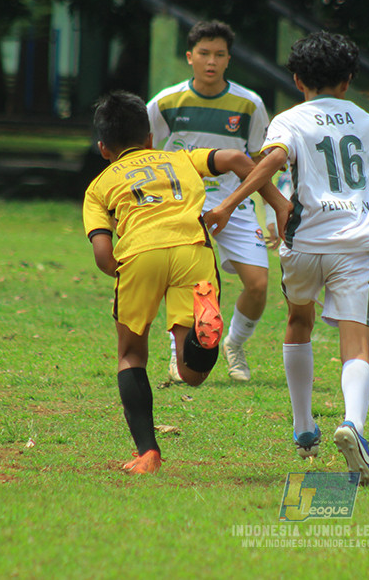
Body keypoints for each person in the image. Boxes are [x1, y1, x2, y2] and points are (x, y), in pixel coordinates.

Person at [204, 31, 369, 486]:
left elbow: (271, 161)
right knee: (356, 342)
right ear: (349, 80)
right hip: (353, 249)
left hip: (302, 245)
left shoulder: (290, 119)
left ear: (298, 80)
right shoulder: (366, 120)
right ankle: (353, 424)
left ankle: (304, 427)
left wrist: (227, 205)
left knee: (298, 320)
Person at [82, 91, 288, 475]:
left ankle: (148, 453)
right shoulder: (179, 158)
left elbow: (103, 256)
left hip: (139, 255)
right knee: (191, 373)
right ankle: (202, 338)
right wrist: (276, 202)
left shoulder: (98, 187)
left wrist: (128, 273)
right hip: (192, 250)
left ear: (103, 149)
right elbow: (236, 159)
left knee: (131, 355)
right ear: (149, 138)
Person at [147, 20, 271, 383]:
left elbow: (260, 163)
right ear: (190, 57)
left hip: (234, 204)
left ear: (229, 59)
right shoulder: (166, 103)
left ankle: (235, 343)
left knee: (258, 286)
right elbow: (144, 151)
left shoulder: (250, 105)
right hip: (183, 205)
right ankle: (178, 354)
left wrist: (270, 212)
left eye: (219, 54)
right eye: (204, 53)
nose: (211, 61)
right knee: (188, 281)